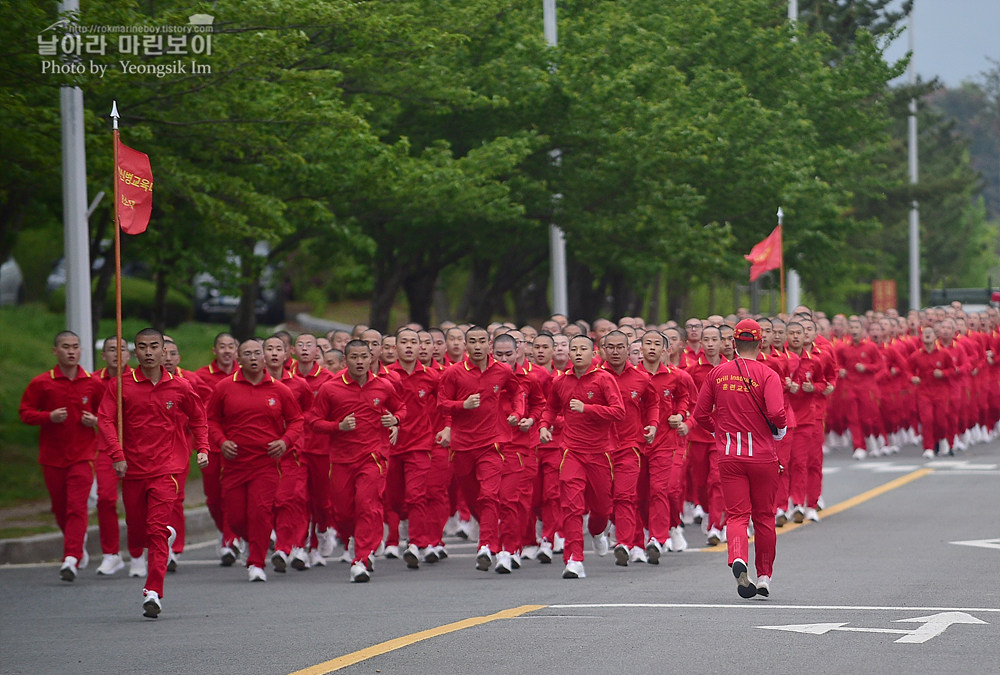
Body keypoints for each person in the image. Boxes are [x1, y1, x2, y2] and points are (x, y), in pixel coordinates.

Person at [98, 328, 209, 618]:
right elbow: (106, 420)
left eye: (154, 346)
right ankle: (160, 537)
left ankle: (153, 592)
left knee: (156, 531)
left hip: (167, 469)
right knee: (137, 534)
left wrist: (203, 448)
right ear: (134, 352)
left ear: (164, 351)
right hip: (133, 468)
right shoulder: (120, 386)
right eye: (142, 347)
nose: (148, 352)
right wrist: (117, 455)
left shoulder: (180, 386)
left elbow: (198, 417)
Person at [692, 319, 787, 599]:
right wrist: (778, 432)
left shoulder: (717, 374)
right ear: (760, 343)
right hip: (762, 457)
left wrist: (718, 429)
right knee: (765, 517)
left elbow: (699, 415)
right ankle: (765, 576)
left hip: (730, 455)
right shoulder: (768, 375)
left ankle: (737, 557)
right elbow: (778, 414)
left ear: (733, 343)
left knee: (736, 514)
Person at [206, 338, 304, 583]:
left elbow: (296, 421)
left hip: (266, 464)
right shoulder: (224, 388)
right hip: (235, 464)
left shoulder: (279, 390)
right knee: (237, 518)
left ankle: (257, 563)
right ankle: (253, 540)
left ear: (263, 359)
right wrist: (221, 441)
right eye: (246, 353)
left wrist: (284, 442)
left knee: (260, 513)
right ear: (239, 359)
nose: (252, 357)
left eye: (256, 353)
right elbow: (211, 420)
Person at [307, 340, 405, 582]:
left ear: (371, 358)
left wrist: (395, 420)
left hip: (373, 456)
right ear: (345, 360)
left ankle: (361, 558)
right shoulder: (331, 389)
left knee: (367, 504)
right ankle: (353, 540)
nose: (360, 362)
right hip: (341, 459)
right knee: (342, 512)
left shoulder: (383, 386)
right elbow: (313, 422)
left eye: (364, 357)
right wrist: (337, 426)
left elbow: (402, 408)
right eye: (354, 357)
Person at [539, 335, 625, 579]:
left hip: (600, 452)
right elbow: (551, 408)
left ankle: (598, 532)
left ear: (593, 352)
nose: (577, 353)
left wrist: (587, 408)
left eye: (582, 349)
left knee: (602, 508)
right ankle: (574, 559)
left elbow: (618, 412)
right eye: (573, 349)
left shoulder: (604, 379)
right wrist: (544, 426)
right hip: (571, 451)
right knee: (571, 506)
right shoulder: (561, 381)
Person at [19, 331, 101, 581]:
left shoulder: (92, 383)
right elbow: (25, 412)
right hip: (52, 457)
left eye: (75, 347)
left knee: (77, 507)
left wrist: (95, 421)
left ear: (81, 351)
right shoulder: (42, 383)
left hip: (83, 456)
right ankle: (76, 547)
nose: (71, 351)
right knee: (60, 508)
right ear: (55, 351)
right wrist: (48, 417)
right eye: (66, 347)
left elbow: (109, 415)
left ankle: (71, 558)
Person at [437, 326, 520, 572]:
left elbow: (518, 393)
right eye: (472, 341)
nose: (476, 346)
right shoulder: (453, 373)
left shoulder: (502, 371)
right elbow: (442, 404)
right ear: (465, 344)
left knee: (489, 494)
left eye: (481, 341)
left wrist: (517, 413)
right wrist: (463, 404)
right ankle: (487, 531)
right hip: (462, 446)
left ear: (489, 345)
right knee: (474, 498)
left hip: (492, 443)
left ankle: (485, 546)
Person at [601, 330, 657, 565]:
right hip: (598, 448)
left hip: (629, 446)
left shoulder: (641, 378)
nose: (615, 351)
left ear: (628, 350)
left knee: (626, 496)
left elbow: (653, 402)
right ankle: (614, 530)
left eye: (620, 347)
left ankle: (627, 542)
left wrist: (652, 425)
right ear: (603, 349)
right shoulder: (595, 376)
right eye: (610, 347)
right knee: (603, 500)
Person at [193, 332, 240, 565]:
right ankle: (224, 532)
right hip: (210, 444)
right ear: (215, 351)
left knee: (230, 494)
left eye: (231, 346)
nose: (227, 350)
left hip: (239, 446)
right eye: (222, 346)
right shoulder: (201, 376)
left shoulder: (246, 375)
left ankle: (231, 539)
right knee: (212, 497)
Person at [162, 338, 203, 572]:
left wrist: (202, 446)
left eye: (172, 353)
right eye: (163, 352)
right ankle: (151, 546)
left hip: (180, 448)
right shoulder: (142, 383)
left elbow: (201, 414)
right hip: (147, 451)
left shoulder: (191, 381)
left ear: (179, 358)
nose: (167, 358)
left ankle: (173, 549)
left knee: (175, 497)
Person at [90, 336, 131, 575]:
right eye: (111, 350)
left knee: (138, 502)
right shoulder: (94, 381)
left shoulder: (140, 379)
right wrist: (95, 421)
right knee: (105, 499)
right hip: (106, 448)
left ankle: (140, 552)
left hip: (137, 449)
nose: (117, 354)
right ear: (103, 356)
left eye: (122, 349)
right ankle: (111, 554)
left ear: (129, 354)